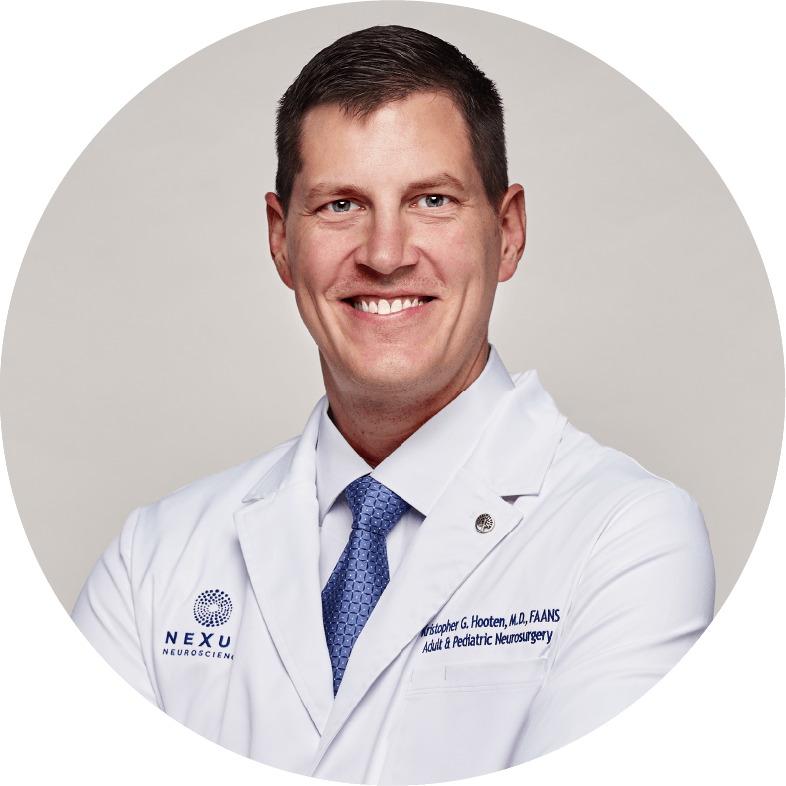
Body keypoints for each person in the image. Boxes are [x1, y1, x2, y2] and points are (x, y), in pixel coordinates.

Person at [72, 25, 715, 783]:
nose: (384, 254)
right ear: (281, 240)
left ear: (508, 232)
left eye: (432, 200)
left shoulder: (628, 537)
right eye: (341, 204)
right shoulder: (153, 561)